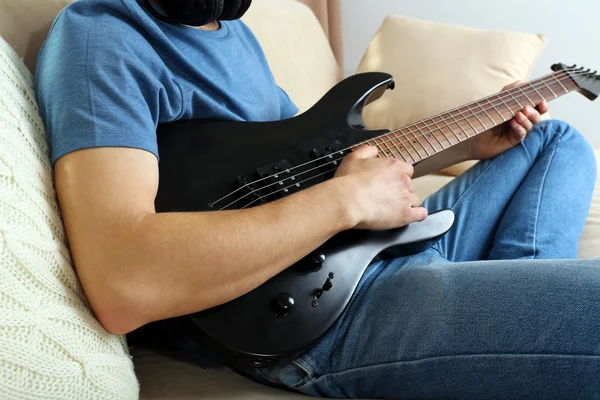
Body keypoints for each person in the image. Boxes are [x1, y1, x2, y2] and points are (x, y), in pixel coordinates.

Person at [35, 0, 599, 398]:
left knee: (555, 142)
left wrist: (469, 141)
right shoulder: (101, 36)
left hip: (369, 245)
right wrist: (344, 203)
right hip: (317, 313)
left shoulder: (232, 34)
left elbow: (319, 163)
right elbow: (123, 281)